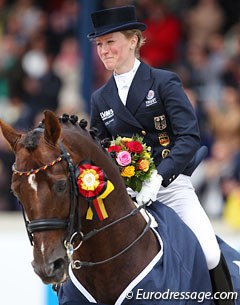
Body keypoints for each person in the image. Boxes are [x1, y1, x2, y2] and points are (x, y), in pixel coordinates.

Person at [88, 5, 234, 303]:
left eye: (110, 41)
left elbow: (189, 137)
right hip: (124, 197)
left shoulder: (164, 82)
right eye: (99, 44)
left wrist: (158, 177)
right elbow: (98, 150)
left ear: (133, 40)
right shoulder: (99, 98)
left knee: (208, 251)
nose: (104, 50)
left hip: (170, 188)